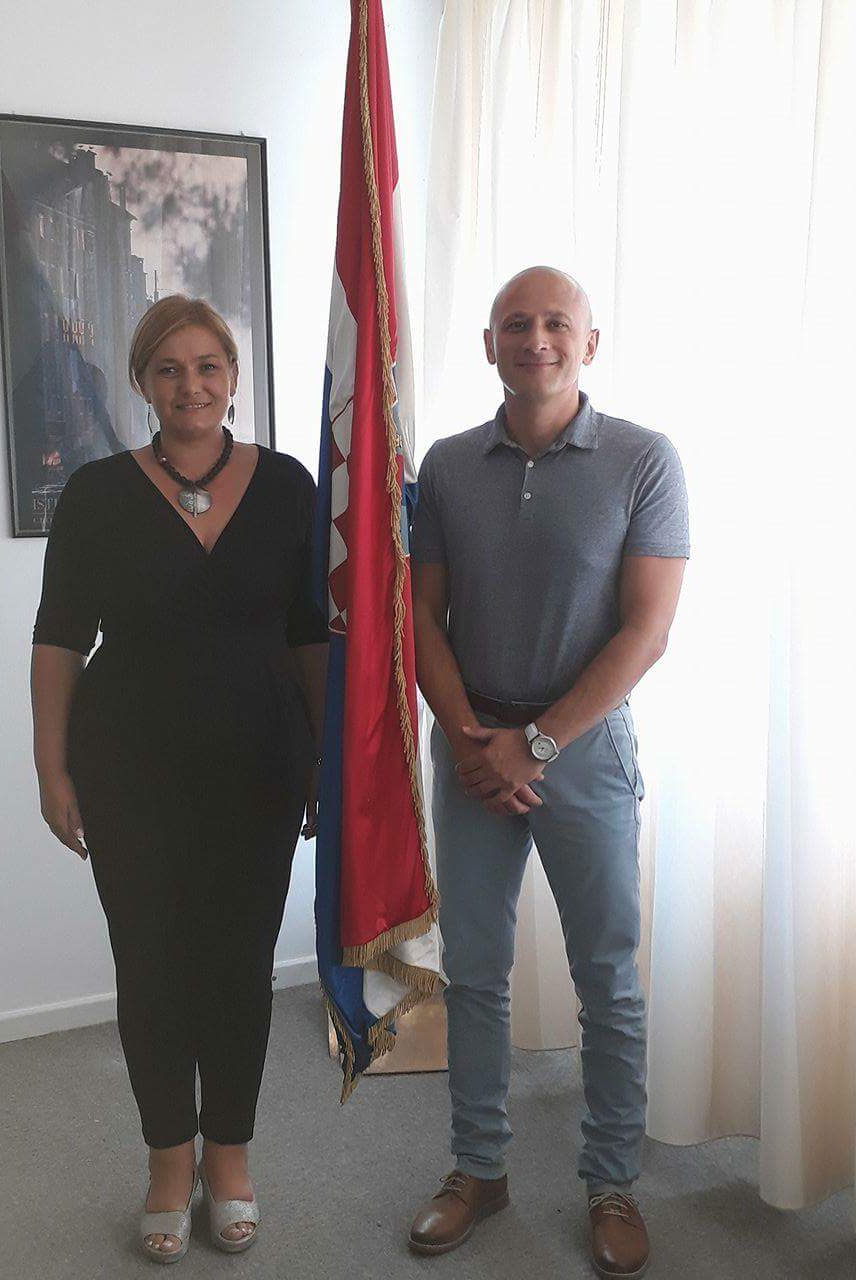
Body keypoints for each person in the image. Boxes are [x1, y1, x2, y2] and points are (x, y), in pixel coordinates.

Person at [30, 295, 328, 1263]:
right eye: (168, 368)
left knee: (238, 967)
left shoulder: (287, 486)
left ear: (233, 377)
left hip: (259, 763)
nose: (190, 385)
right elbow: (59, 638)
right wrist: (50, 765)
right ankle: (169, 1159)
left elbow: (310, 635)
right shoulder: (95, 493)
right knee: (151, 965)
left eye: (207, 366)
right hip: (128, 766)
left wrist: (325, 757)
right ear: (141, 383)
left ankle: (229, 1156)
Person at [407, 267, 688, 1278]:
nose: (537, 339)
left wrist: (535, 745)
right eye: (516, 324)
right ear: (489, 345)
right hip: (472, 742)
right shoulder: (446, 466)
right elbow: (419, 616)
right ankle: (478, 1169)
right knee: (474, 972)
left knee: (607, 979)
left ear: (589, 342)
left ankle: (610, 1182)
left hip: (585, 748)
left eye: (556, 323)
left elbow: (646, 633)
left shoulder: (644, 460)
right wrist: (471, 737)